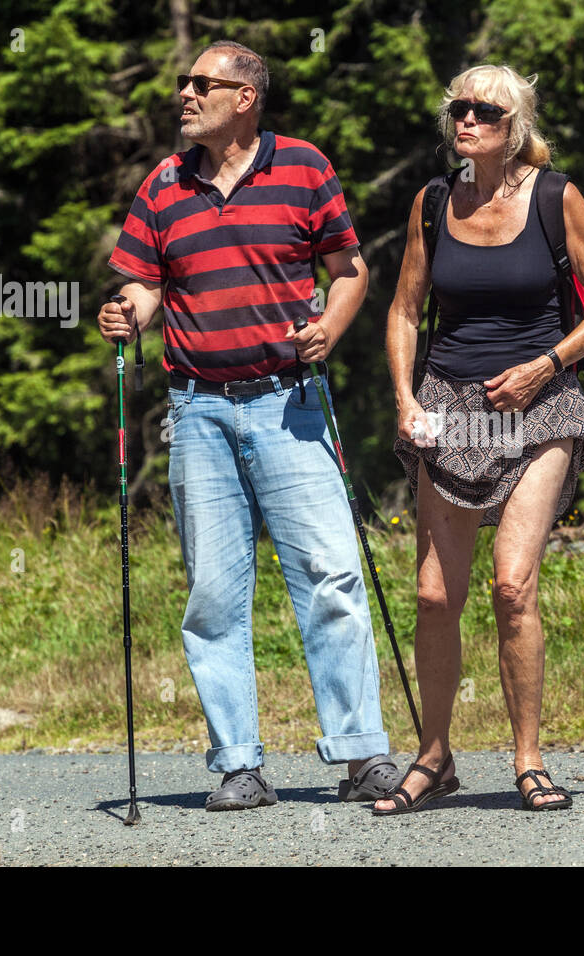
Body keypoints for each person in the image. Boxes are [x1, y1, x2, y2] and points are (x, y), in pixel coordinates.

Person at [97, 40, 401, 810]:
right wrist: (125, 312)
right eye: (182, 81)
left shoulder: (303, 167)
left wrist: (330, 327)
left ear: (245, 98)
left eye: (203, 83)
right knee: (212, 594)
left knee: (331, 575)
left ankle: (361, 753)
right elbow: (144, 286)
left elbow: (350, 270)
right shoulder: (163, 185)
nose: (185, 93)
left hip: (290, 399)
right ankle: (239, 763)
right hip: (197, 410)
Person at [376, 64, 584, 814]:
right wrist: (402, 396)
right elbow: (402, 311)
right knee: (431, 595)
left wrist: (544, 365)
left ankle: (528, 758)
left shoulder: (556, 197)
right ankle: (434, 757)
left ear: (514, 124)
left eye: (485, 109)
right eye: (458, 108)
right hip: (449, 401)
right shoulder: (431, 202)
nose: (468, 119)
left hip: (542, 400)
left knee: (512, 587)